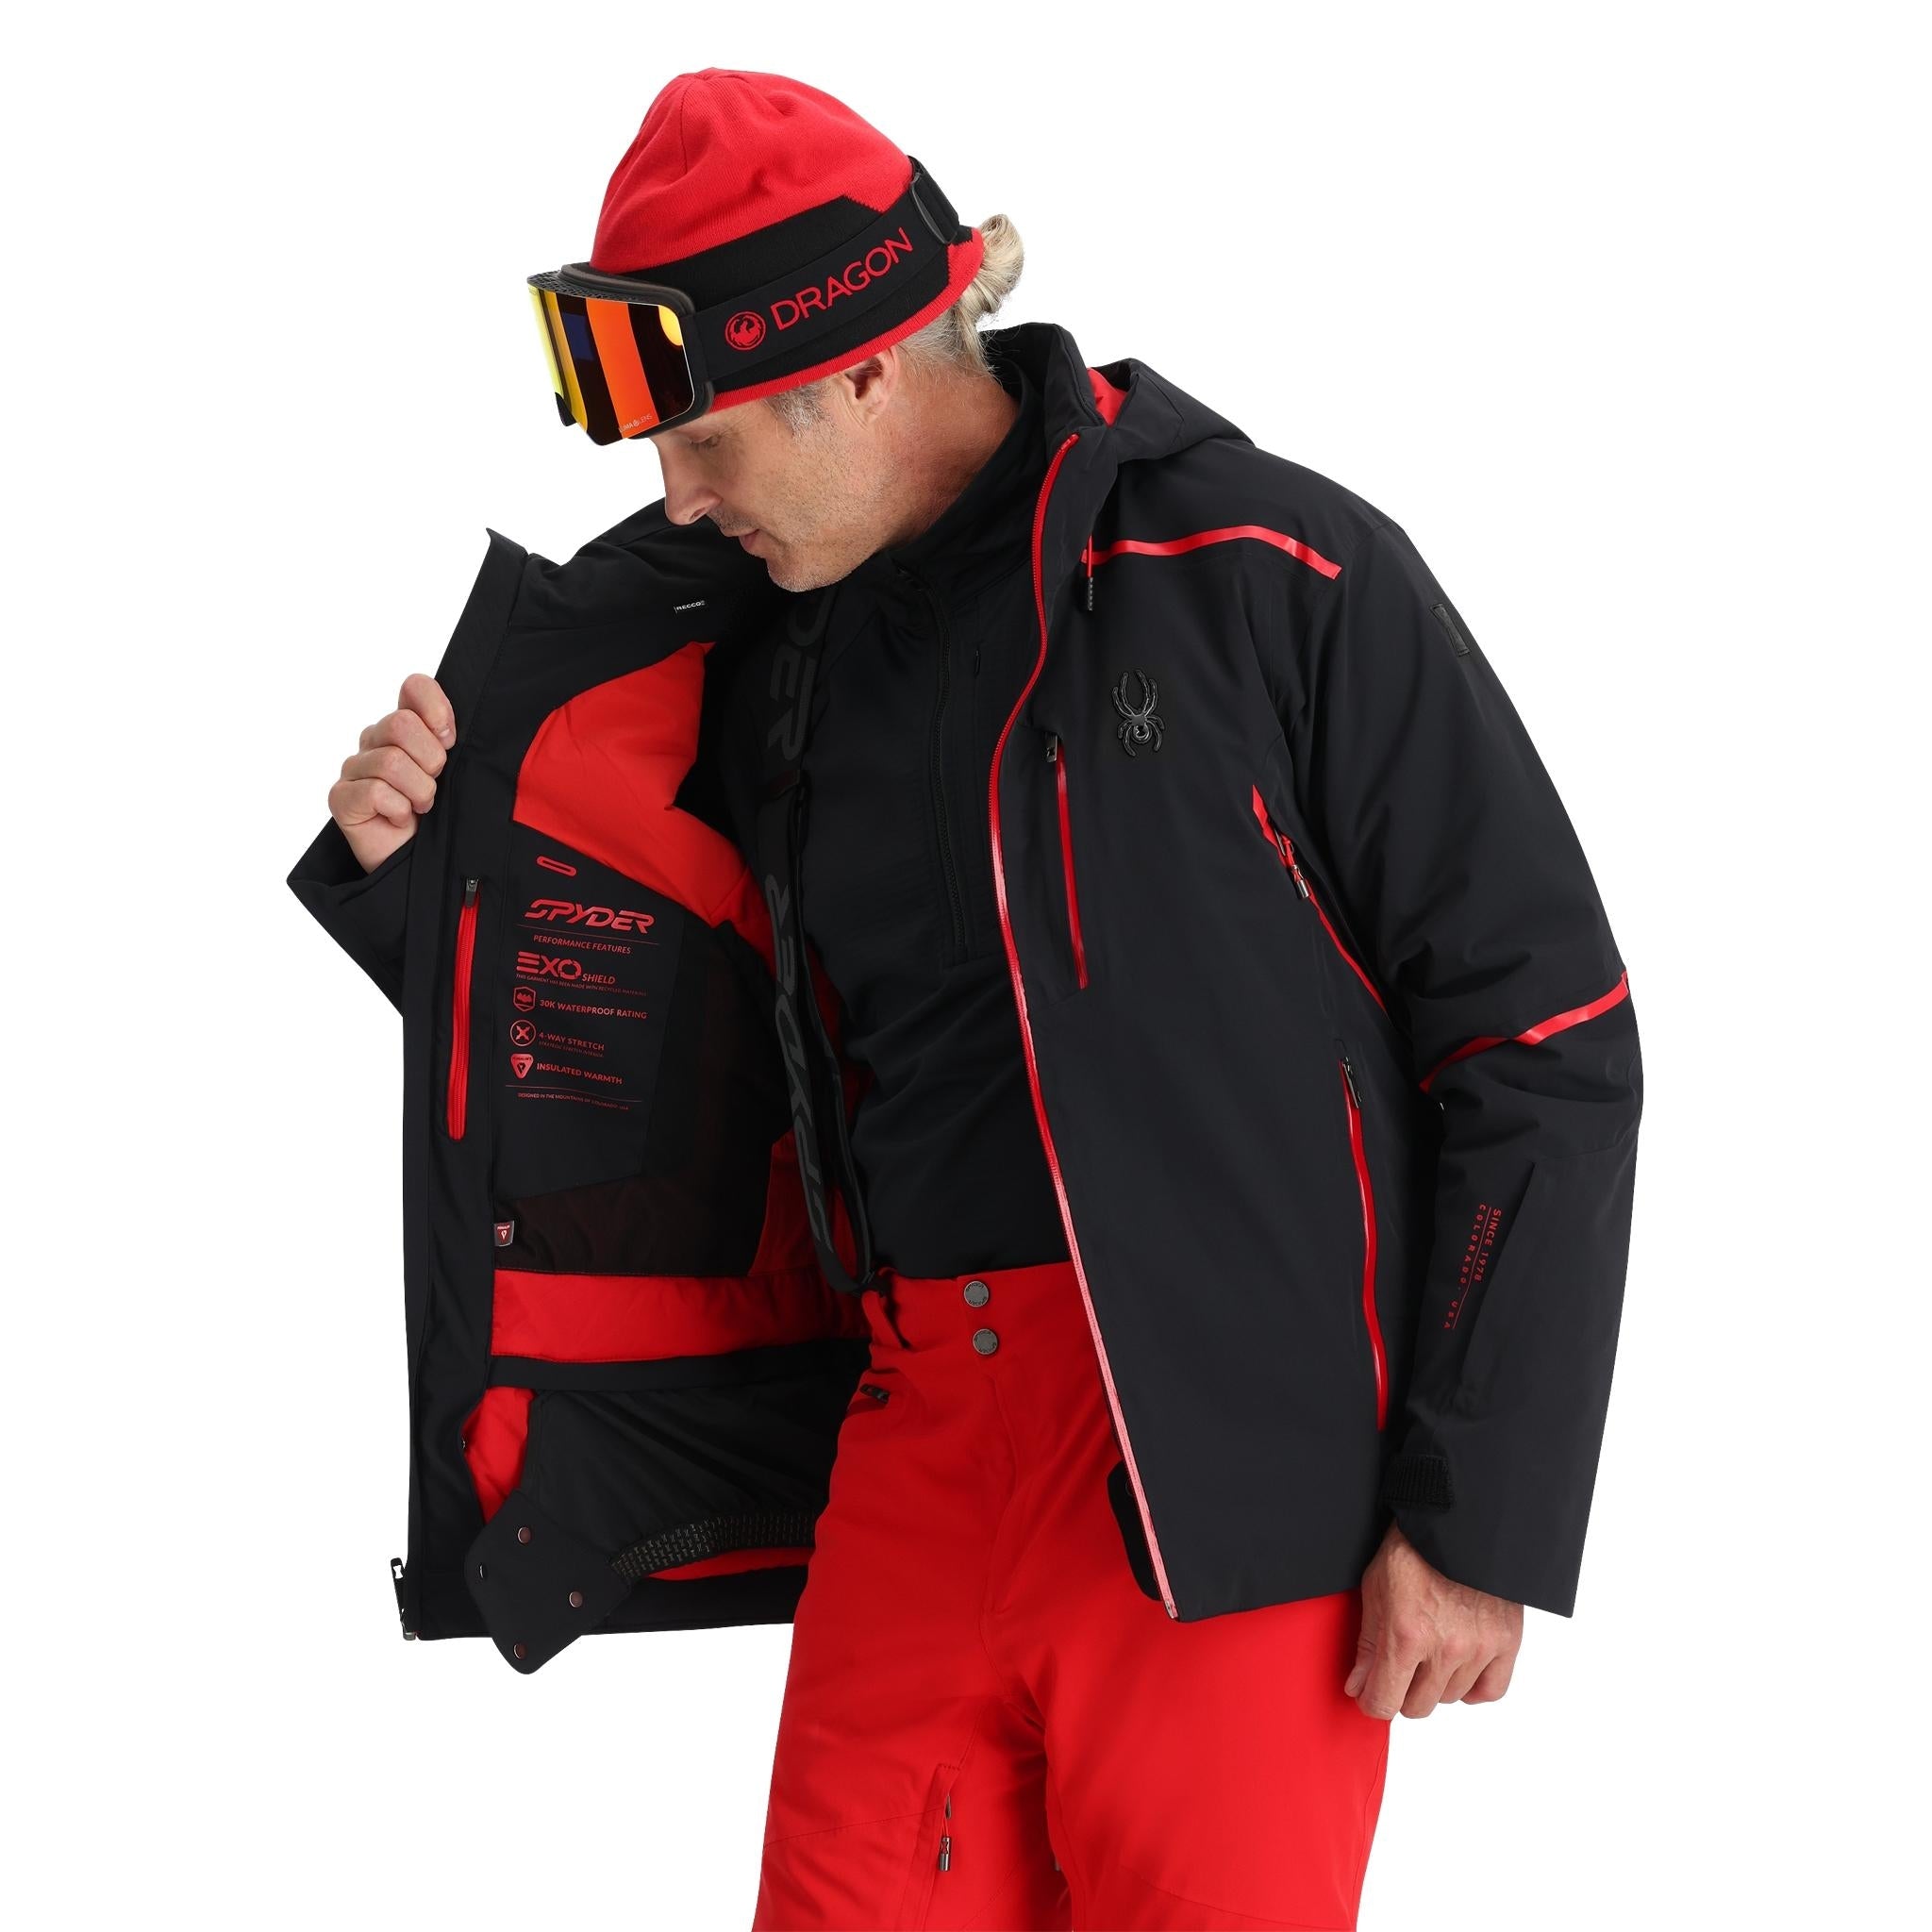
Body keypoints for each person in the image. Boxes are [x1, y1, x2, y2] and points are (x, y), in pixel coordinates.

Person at [301, 67, 1641, 1932]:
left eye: (706, 441)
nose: (678, 497)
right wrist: (416, 885)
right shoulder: (759, 649)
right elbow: (670, 1040)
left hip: (1228, 1475)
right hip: (916, 1439)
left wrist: (1480, 1511)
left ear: (857, 368)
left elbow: (1544, 1038)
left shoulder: (1261, 571)